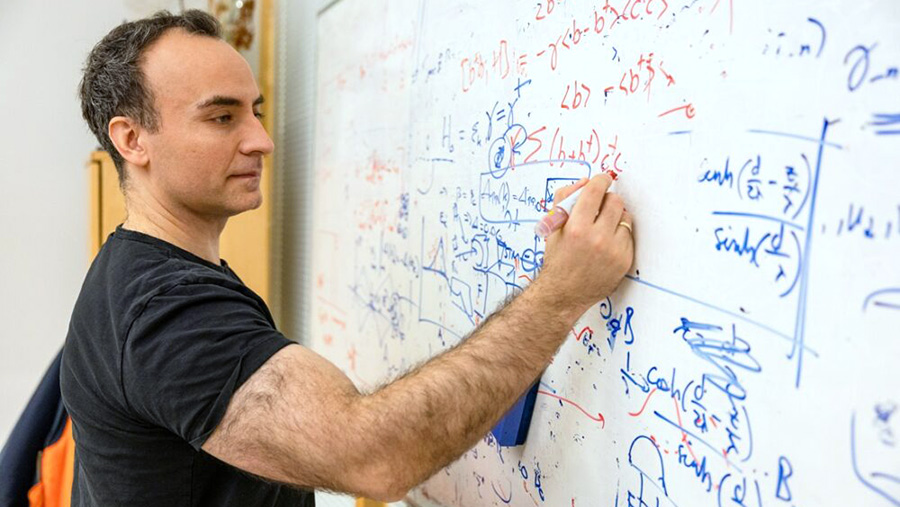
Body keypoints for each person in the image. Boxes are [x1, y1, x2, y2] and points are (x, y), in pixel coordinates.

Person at [60, 9, 634, 507]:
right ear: (132, 140)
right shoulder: (167, 312)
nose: (262, 140)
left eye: (256, 112)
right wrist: (560, 293)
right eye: (222, 117)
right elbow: (375, 457)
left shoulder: (141, 273)